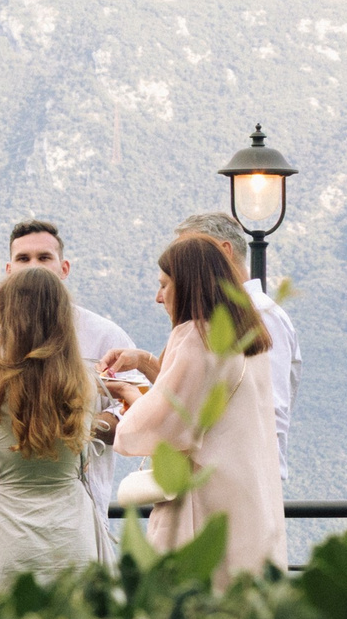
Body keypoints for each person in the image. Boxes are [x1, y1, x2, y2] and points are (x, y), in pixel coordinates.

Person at [106, 235, 287, 583]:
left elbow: (165, 423)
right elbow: (198, 399)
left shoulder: (195, 336)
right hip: (248, 499)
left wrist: (129, 395)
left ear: (188, 283)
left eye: (164, 285)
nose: (158, 296)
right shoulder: (248, 338)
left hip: (202, 506)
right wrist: (144, 362)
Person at [0, 219, 131, 554]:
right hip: (67, 516)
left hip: (25, 509)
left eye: (44, 257)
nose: (34, 266)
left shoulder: (105, 335)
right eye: (24, 258)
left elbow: (130, 415)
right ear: (9, 270)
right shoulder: (84, 377)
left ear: (63, 267)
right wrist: (70, 433)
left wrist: (10, 441)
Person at [0, 270, 115, 588]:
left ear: (8, 319)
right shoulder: (84, 383)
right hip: (73, 534)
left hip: (6, 536)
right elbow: (84, 456)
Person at [174, 211, 299, 488]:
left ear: (224, 251)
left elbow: (271, 403)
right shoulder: (226, 316)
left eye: (192, 256)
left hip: (246, 477)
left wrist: (262, 479)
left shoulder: (260, 314)